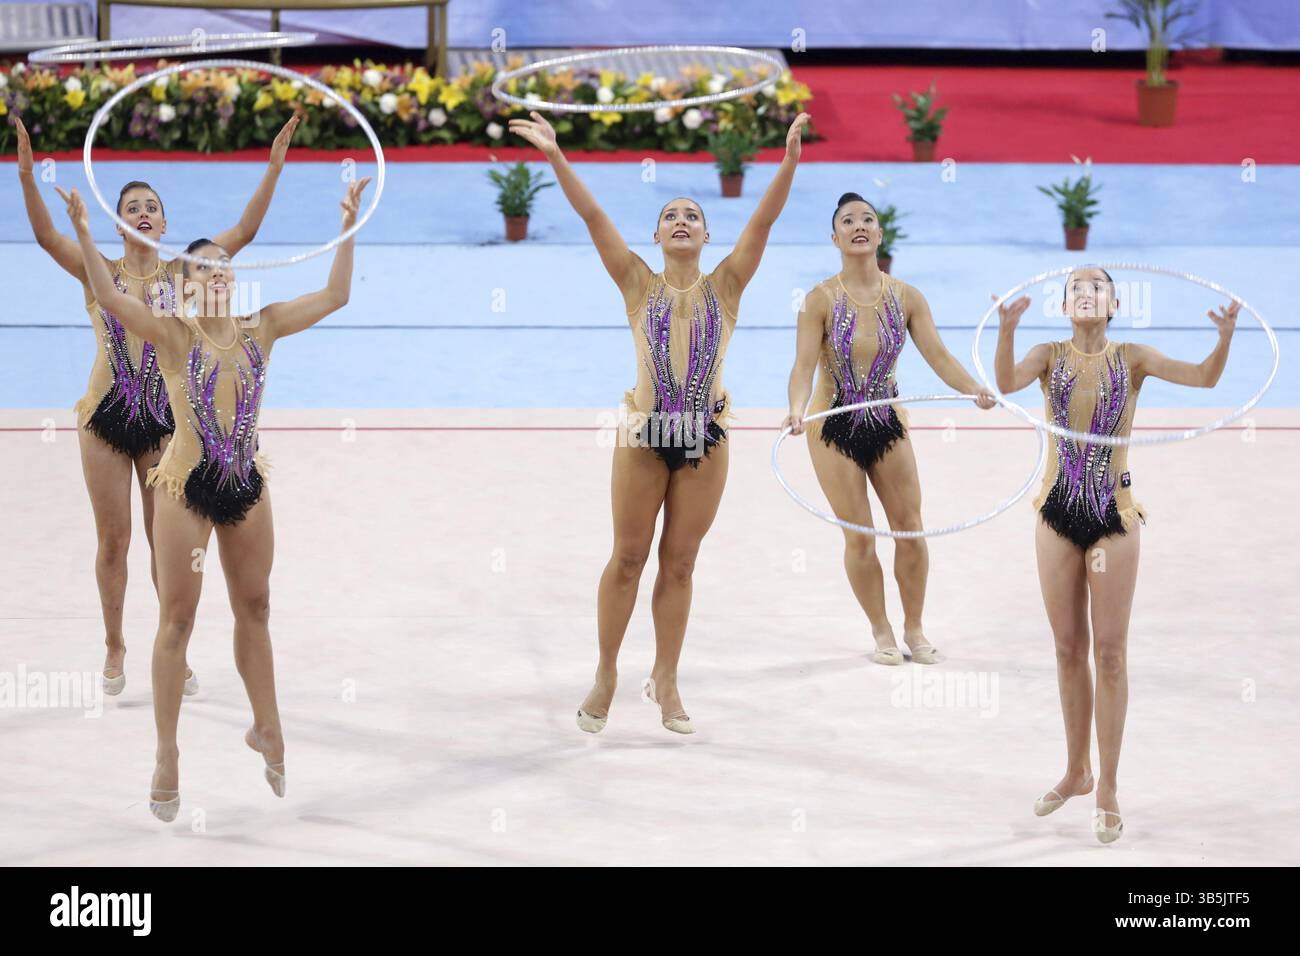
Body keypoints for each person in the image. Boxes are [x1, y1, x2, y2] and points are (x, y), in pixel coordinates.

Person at [57, 175, 370, 821]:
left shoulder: (265, 327)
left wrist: (348, 222)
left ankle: (268, 728)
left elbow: (337, 294)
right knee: (178, 620)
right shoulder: (174, 335)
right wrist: (88, 235)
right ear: (186, 286)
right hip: (184, 488)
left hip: (245, 483)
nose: (219, 274)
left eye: (226, 267)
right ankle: (167, 755)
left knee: (255, 606)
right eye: (206, 269)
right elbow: (114, 298)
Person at [508, 108, 810, 734]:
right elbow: (594, 219)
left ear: (705, 236)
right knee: (627, 558)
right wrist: (558, 156)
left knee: (679, 563)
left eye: (692, 216)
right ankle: (607, 672)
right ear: (656, 236)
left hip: (706, 437)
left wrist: (787, 164)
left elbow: (764, 220)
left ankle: (666, 677)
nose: (681, 221)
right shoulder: (635, 284)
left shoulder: (727, 285)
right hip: (646, 435)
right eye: (670, 215)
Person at [14, 114, 299, 696]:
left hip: (165, 427)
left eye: (153, 206)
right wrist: (24, 175)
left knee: (164, 543)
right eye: (133, 206)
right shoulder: (100, 270)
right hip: (105, 415)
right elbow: (47, 239)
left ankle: (174, 651)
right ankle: (114, 643)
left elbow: (242, 231)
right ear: (120, 223)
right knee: (113, 541)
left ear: (165, 222)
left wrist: (273, 167)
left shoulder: (182, 271)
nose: (144, 212)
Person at [994, 265, 1238, 843]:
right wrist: (1005, 330)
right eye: (1076, 286)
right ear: (1064, 304)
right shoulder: (1046, 355)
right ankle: (1076, 771)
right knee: (1066, 647)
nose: (1086, 292)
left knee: (1109, 653)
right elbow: (1005, 382)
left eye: (1096, 287)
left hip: (1113, 517)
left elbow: (1204, 378)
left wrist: (1224, 341)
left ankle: (1107, 783)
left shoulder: (1133, 358)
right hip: (1056, 513)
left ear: (1115, 302)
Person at [782, 192, 995, 665]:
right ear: (834, 237)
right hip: (831, 425)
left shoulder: (906, 297)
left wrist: (973, 389)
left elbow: (939, 356)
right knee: (860, 535)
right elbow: (801, 367)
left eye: (867, 220)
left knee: (910, 529)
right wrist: (797, 407)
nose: (859, 226)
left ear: (879, 234)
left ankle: (915, 628)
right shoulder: (818, 299)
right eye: (848, 221)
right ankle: (880, 628)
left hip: (886, 421)